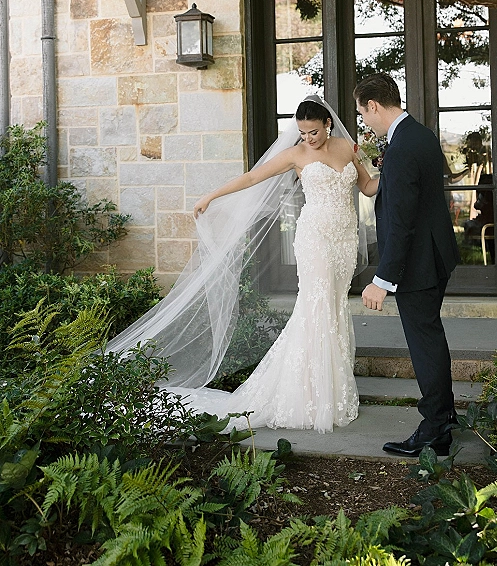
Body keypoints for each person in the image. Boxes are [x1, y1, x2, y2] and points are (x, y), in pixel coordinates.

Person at [107, 95, 377, 434]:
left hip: (344, 239)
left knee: (335, 307)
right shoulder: (295, 154)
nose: (307, 139)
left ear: (327, 125)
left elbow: (367, 187)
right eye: (302, 133)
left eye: (313, 132)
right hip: (315, 238)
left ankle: (335, 392)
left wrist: (392, 172)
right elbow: (252, 178)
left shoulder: (348, 147)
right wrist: (211, 196)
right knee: (317, 307)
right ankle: (310, 397)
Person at [354, 73, 460, 457]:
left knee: (425, 344)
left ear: (375, 106)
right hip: (435, 255)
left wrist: (382, 279)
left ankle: (434, 427)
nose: (364, 121)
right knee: (431, 339)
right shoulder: (421, 134)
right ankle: (443, 421)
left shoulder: (400, 148)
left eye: (363, 113)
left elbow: (401, 220)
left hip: (418, 265)